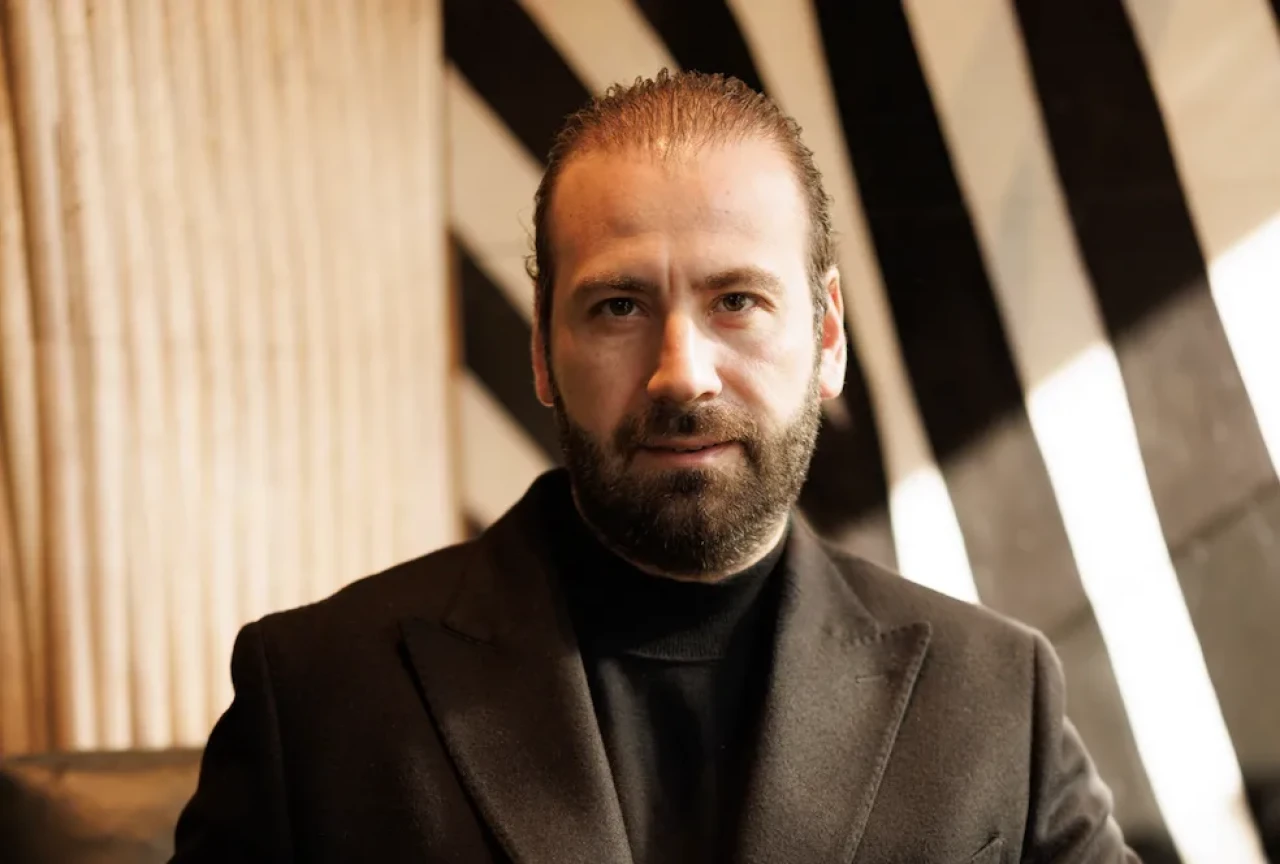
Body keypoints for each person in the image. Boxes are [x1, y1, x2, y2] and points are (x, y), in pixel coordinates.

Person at [171, 70, 1139, 863]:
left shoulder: (996, 699)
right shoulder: (319, 696)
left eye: (737, 301)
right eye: (619, 308)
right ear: (542, 350)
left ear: (827, 335)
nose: (682, 373)